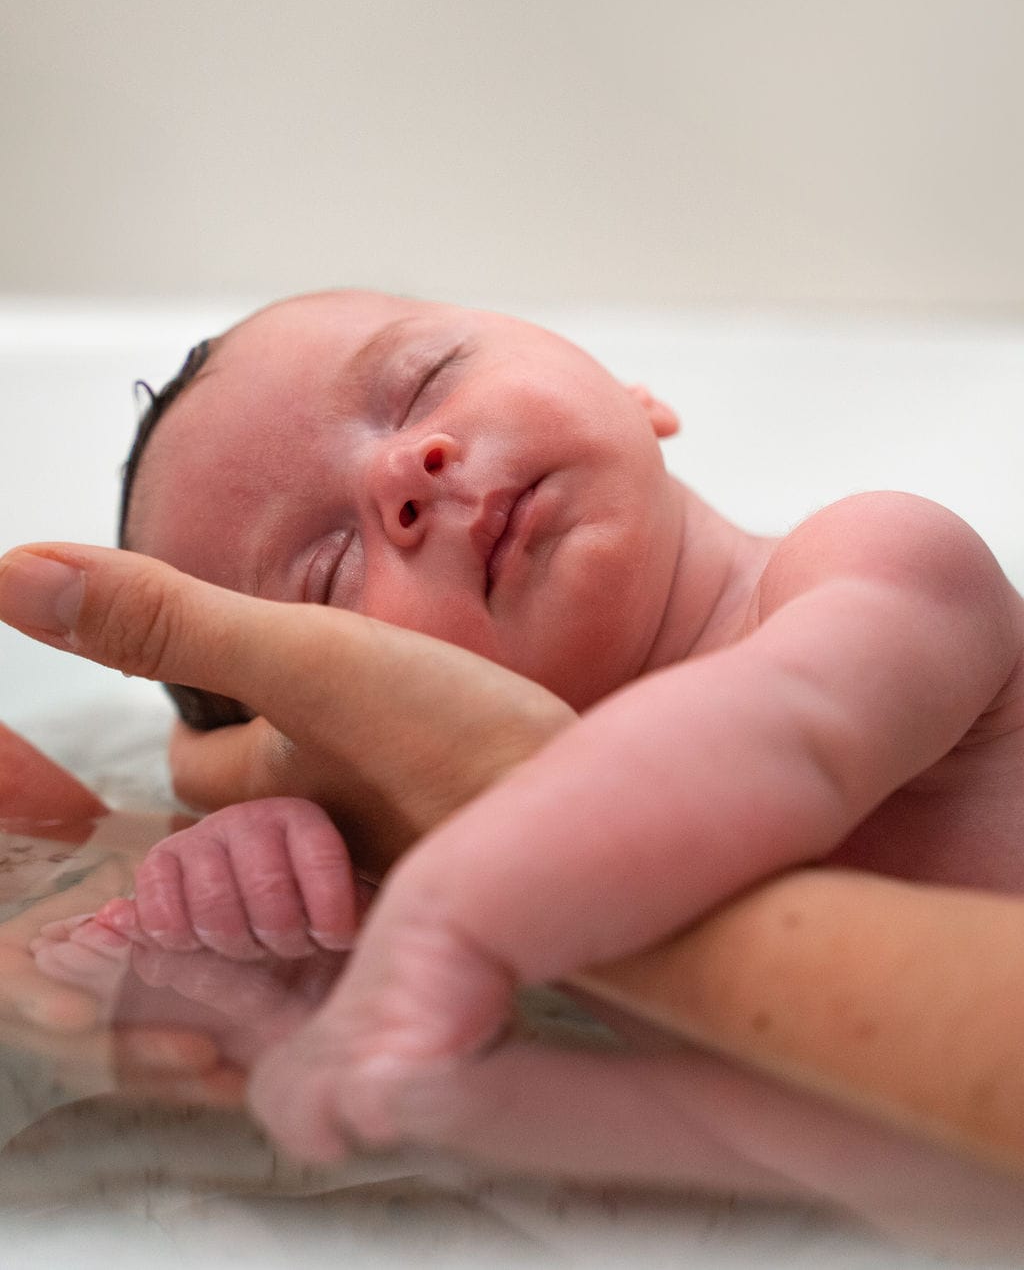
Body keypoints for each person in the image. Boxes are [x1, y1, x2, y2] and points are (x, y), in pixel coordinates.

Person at [0, 289, 1022, 1211]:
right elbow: (815, 1146)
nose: (406, 469)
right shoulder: (515, 889)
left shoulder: (881, 558)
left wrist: (440, 909)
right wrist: (287, 972)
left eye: (426, 381)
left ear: (632, 390)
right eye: (330, 569)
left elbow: (761, 746)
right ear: (332, 732)